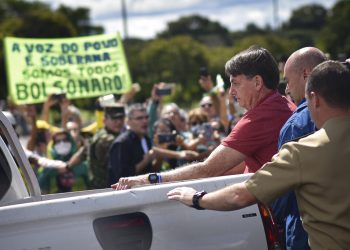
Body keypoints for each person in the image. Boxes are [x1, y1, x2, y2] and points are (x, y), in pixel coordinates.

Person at [167, 60, 350, 249]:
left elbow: (240, 195)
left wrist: (196, 198)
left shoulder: (303, 151)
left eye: (236, 83)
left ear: (315, 99)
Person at [112, 46, 295, 190]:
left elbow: (208, 170)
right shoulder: (282, 105)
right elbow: (234, 167)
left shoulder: (260, 117)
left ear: (257, 82)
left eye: (235, 84)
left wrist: (151, 179)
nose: (231, 92)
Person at [272, 47, 327, 250]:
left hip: (305, 229)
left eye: (287, 80)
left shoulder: (296, 124)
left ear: (305, 74)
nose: (286, 89)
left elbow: (282, 187)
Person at [108, 103, 153, 185]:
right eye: (139, 118)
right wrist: (145, 161)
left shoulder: (146, 139)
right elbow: (121, 177)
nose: (145, 121)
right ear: (128, 121)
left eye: (146, 117)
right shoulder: (122, 143)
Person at [89, 103, 126, 189]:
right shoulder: (106, 139)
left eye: (121, 118)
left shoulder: (101, 134)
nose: (119, 122)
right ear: (104, 120)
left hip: (108, 187)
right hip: (106, 188)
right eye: (114, 119)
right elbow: (119, 168)